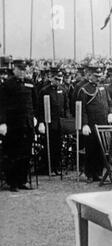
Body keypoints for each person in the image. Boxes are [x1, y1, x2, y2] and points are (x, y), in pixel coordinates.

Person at [0, 59, 36, 191]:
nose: (22, 72)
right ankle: (12, 182)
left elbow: (34, 102)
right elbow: (2, 105)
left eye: (24, 70)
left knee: (26, 154)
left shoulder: (30, 83)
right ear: (14, 69)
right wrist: (2, 122)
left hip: (28, 124)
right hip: (13, 125)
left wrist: (35, 117)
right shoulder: (7, 84)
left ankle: (22, 180)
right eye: (20, 70)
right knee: (13, 154)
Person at [79, 67, 112, 183]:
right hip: (91, 123)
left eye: (99, 76)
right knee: (91, 149)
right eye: (96, 76)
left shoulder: (103, 88)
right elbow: (82, 109)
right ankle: (89, 174)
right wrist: (84, 124)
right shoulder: (84, 90)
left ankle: (98, 173)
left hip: (103, 122)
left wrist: (110, 113)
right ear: (90, 76)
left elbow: (109, 103)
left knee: (101, 150)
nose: (98, 78)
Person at [38, 69, 69, 175]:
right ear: (52, 78)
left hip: (60, 122)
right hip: (49, 122)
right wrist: (42, 122)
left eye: (60, 79)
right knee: (49, 146)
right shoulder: (45, 91)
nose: (59, 81)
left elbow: (66, 107)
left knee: (58, 146)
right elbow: (40, 108)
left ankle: (57, 166)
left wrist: (66, 120)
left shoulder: (63, 90)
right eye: (57, 79)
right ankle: (48, 167)